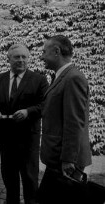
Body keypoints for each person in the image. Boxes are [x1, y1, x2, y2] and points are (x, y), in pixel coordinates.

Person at [0, 44, 49, 204]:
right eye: (17, 57)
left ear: (28, 59)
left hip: (28, 139)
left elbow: (45, 104)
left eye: (24, 57)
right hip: (6, 139)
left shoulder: (39, 80)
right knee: (9, 178)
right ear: (8, 59)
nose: (21, 60)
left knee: (30, 179)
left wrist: (28, 111)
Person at [38, 35, 92, 204]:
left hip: (65, 160)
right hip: (59, 157)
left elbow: (74, 122)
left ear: (56, 51)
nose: (41, 56)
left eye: (44, 52)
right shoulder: (63, 76)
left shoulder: (72, 78)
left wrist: (68, 159)